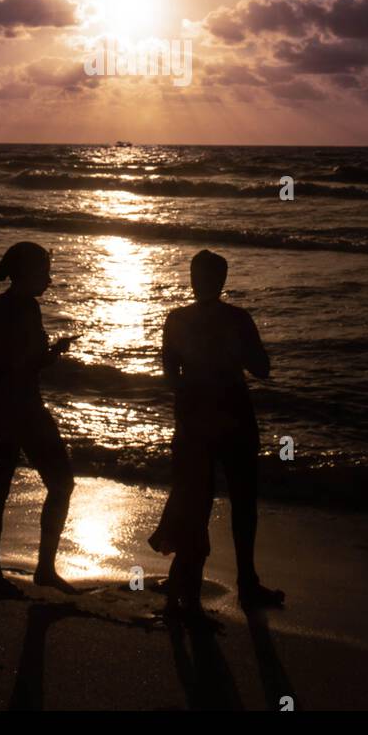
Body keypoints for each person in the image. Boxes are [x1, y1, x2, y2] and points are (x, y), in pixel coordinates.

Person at [149, 249, 284, 619]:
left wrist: (192, 397)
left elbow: (169, 376)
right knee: (241, 502)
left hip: (196, 418)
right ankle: (243, 584)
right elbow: (262, 369)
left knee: (198, 501)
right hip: (232, 415)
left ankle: (188, 584)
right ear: (221, 281)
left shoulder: (176, 319)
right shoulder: (237, 319)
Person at [0, 241, 75, 596]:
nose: (49, 279)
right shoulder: (14, 312)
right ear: (26, 273)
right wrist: (47, 357)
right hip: (14, 411)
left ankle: (4, 572)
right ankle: (28, 570)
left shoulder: (10, 309)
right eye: (44, 271)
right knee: (55, 484)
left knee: (2, 489)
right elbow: (3, 367)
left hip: (6, 409)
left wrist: (48, 355)